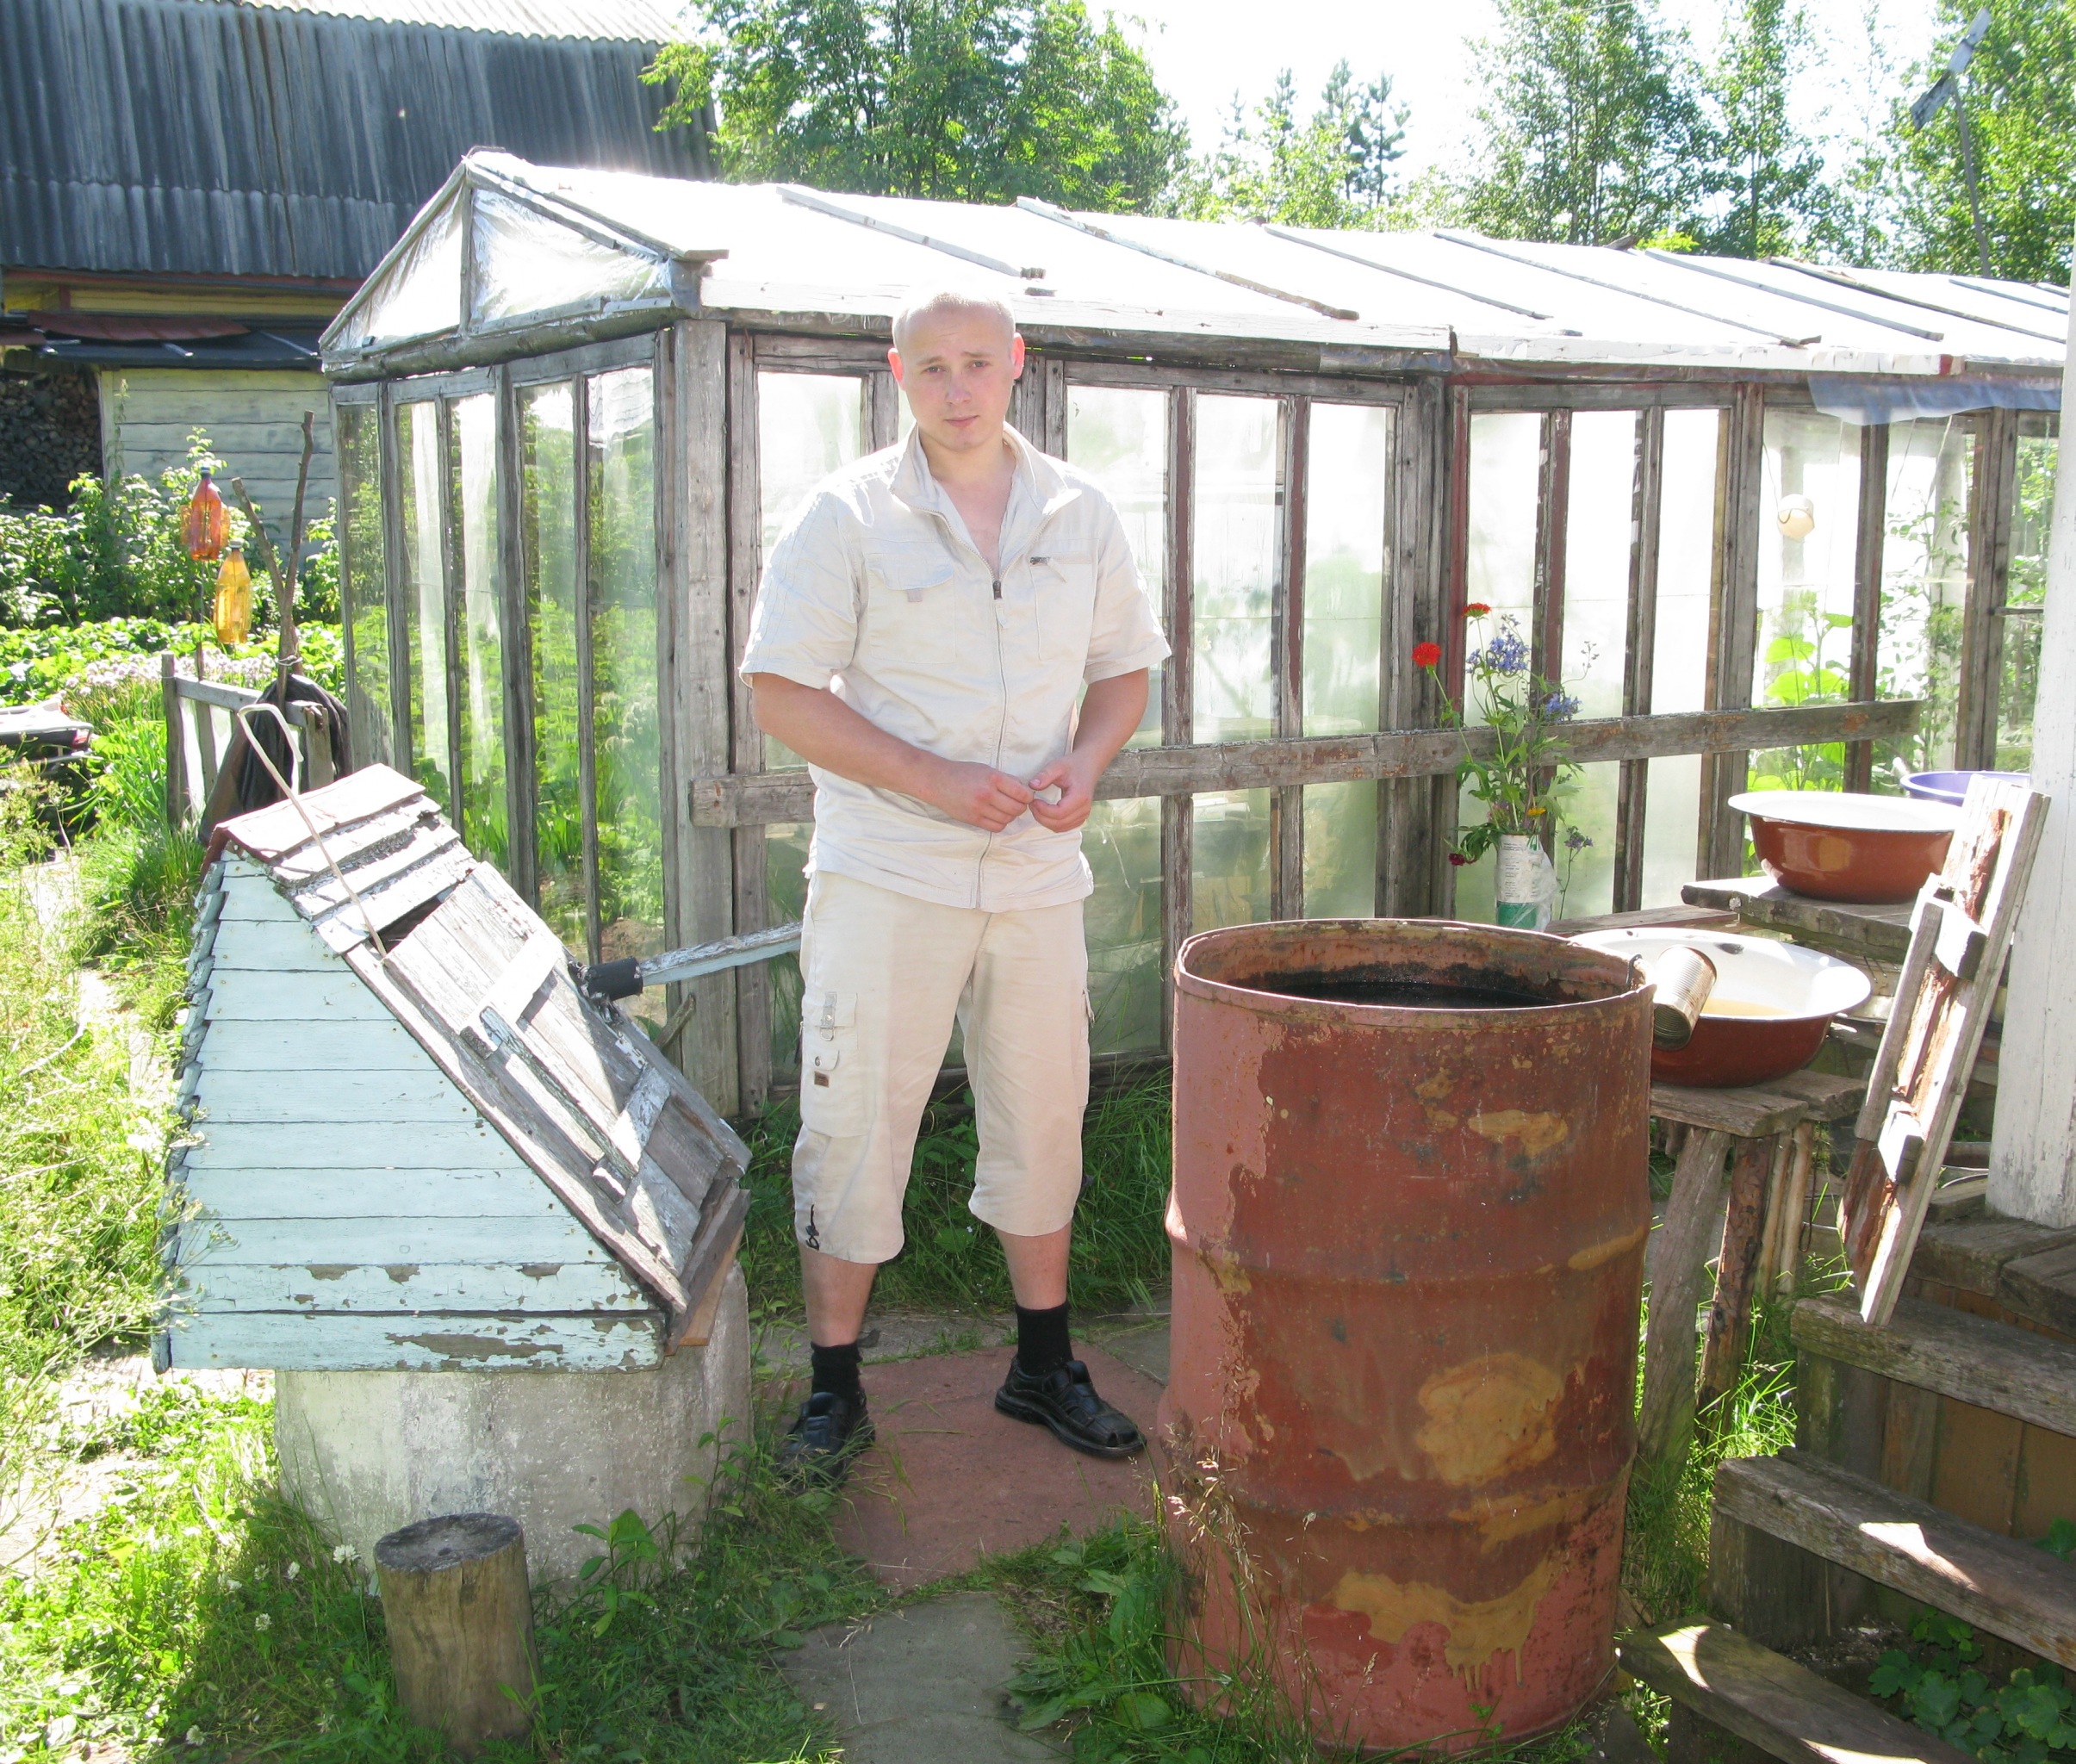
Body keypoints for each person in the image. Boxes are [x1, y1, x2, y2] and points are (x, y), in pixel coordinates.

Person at [739, 285, 1170, 1486]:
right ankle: (833, 1388)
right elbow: (780, 692)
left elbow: (1123, 671)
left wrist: (1086, 762)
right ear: (897, 375)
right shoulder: (845, 514)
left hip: (1033, 869)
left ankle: (1044, 1365)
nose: (957, 388)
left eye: (978, 362)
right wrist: (932, 780)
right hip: (888, 868)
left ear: (1017, 363)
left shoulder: (1078, 510)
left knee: (1043, 1110)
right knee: (855, 1117)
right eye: (931, 366)